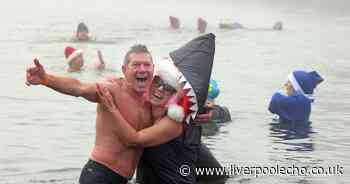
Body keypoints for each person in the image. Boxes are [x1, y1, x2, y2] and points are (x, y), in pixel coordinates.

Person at [25, 44, 155, 184]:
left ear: (153, 68)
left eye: (146, 65)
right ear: (124, 70)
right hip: (100, 174)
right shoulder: (111, 91)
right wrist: (46, 79)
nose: (142, 69)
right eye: (136, 65)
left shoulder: (155, 98)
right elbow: (78, 87)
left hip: (124, 179)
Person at [98, 33, 216, 184]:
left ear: (178, 97)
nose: (159, 89)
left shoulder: (180, 122)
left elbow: (135, 140)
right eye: (157, 81)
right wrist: (115, 84)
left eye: (168, 87)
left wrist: (112, 109)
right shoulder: (145, 106)